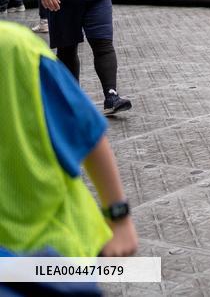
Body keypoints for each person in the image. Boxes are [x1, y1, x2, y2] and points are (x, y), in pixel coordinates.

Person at [0, 21, 138, 278]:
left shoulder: (16, 50)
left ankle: (111, 92)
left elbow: (88, 133)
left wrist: (119, 218)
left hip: (46, 254)